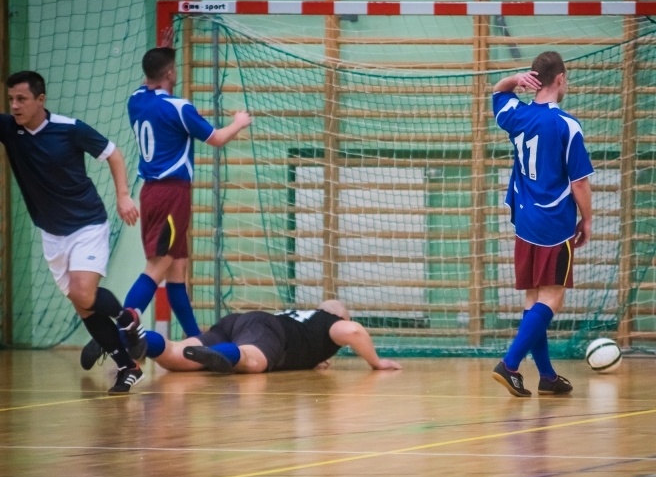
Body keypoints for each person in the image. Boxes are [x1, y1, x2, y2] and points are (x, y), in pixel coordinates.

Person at [80, 46, 252, 369]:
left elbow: (153, 78)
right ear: (171, 73)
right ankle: (114, 333)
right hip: (172, 194)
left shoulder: (135, 100)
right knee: (158, 267)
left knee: (177, 271)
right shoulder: (179, 108)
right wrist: (239, 123)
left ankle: (200, 343)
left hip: (152, 193)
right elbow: (215, 138)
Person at [0, 71, 146, 394]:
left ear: (41, 100)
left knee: (84, 293)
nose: (14, 106)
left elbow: (114, 153)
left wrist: (123, 195)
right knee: (83, 307)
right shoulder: (10, 130)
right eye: (11, 99)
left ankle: (127, 317)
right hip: (52, 233)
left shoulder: (69, 129)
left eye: (21, 99)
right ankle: (128, 366)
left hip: (87, 223)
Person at [490, 51, 593, 397]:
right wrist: (588, 219)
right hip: (554, 222)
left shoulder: (516, 115)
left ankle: (547, 376)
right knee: (552, 299)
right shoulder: (566, 124)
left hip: (524, 218)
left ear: (533, 79)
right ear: (561, 79)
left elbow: (497, 91)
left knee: (534, 301)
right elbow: (579, 182)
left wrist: (513, 80)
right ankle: (510, 363)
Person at [137, 300, 402, 374]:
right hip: (267, 331)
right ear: (337, 316)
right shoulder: (328, 322)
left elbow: (306, 348)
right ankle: (225, 354)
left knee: (175, 356)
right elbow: (352, 331)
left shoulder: (305, 320)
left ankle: (136, 338)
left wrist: (315, 360)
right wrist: (376, 362)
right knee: (253, 361)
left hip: (238, 322)